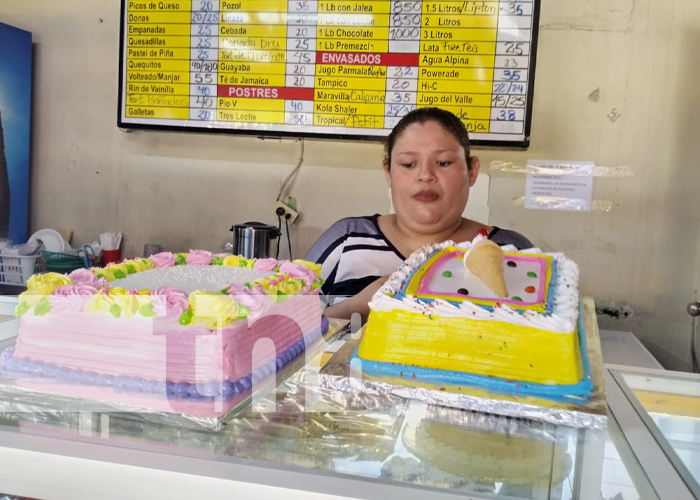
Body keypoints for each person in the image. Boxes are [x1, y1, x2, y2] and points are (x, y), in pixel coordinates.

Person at [304, 108, 533, 320]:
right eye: (408, 163)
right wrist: (357, 308)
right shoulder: (345, 241)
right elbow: (283, 330)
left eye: (443, 162)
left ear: (472, 171)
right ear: (388, 172)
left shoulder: (511, 252)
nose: (425, 175)